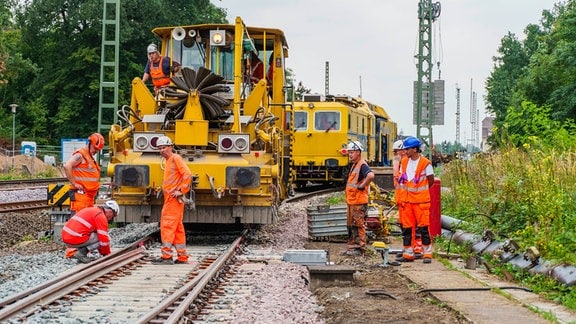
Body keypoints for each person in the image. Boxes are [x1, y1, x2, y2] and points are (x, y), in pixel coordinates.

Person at [153, 136, 192, 265]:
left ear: (170, 147)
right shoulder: (169, 160)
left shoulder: (175, 158)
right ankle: (182, 257)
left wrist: (181, 190)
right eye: (159, 148)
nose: (162, 150)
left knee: (167, 226)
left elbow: (187, 174)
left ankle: (166, 256)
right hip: (172, 199)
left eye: (164, 147)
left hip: (173, 199)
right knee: (177, 228)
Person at [396, 136, 435, 263]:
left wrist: (420, 191)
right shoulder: (404, 162)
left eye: (407, 149)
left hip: (421, 201)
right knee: (407, 228)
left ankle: (427, 253)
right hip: (407, 201)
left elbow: (431, 180)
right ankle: (408, 254)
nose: (405, 151)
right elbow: (403, 179)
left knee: (423, 228)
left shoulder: (425, 163)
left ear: (414, 149)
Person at [344, 140, 375, 256]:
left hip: (358, 201)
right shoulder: (355, 165)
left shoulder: (362, 165)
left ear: (358, 152)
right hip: (352, 201)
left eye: (352, 152)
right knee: (351, 225)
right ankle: (352, 247)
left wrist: (362, 185)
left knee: (358, 224)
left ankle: (359, 248)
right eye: (349, 153)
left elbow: (371, 175)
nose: (350, 155)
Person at [63, 133, 104, 215]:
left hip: (88, 197)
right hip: (81, 197)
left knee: (86, 222)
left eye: (98, 150)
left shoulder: (89, 157)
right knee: (79, 221)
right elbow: (67, 166)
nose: (96, 151)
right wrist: (74, 183)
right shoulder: (80, 155)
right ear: (90, 143)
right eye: (95, 148)